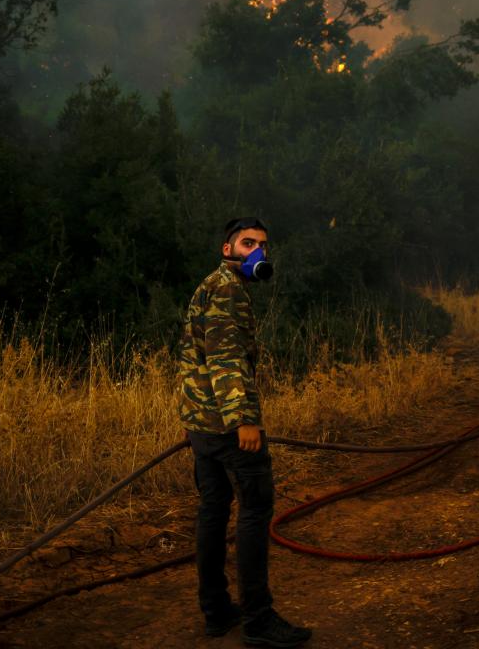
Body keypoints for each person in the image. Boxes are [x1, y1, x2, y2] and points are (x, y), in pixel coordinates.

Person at [177, 217, 312, 648]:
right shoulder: (227, 289)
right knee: (255, 510)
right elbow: (225, 358)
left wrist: (197, 419)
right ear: (227, 249)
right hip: (227, 424)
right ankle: (258, 619)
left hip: (203, 423)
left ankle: (216, 611)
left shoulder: (210, 284)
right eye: (248, 243)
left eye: (263, 246)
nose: (257, 251)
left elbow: (192, 356)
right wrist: (243, 419)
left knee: (214, 510)